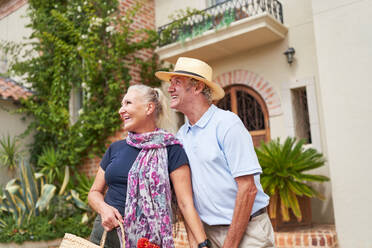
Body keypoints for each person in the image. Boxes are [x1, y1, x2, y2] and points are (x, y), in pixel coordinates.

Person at [155, 57, 275, 248]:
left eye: (177, 82)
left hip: (248, 232)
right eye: (171, 83)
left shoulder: (227, 124)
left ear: (197, 87)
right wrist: (196, 242)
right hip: (207, 233)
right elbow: (186, 197)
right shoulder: (181, 136)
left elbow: (248, 189)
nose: (169, 89)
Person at [88, 84, 210, 248]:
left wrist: (203, 243)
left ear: (149, 108)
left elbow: (186, 203)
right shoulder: (115, 148)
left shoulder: (171, 149)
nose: (121, 110)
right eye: (122, 104)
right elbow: (94, 192)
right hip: (104, 234)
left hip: (145, 241)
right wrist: (104, 209)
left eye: (128, 103)